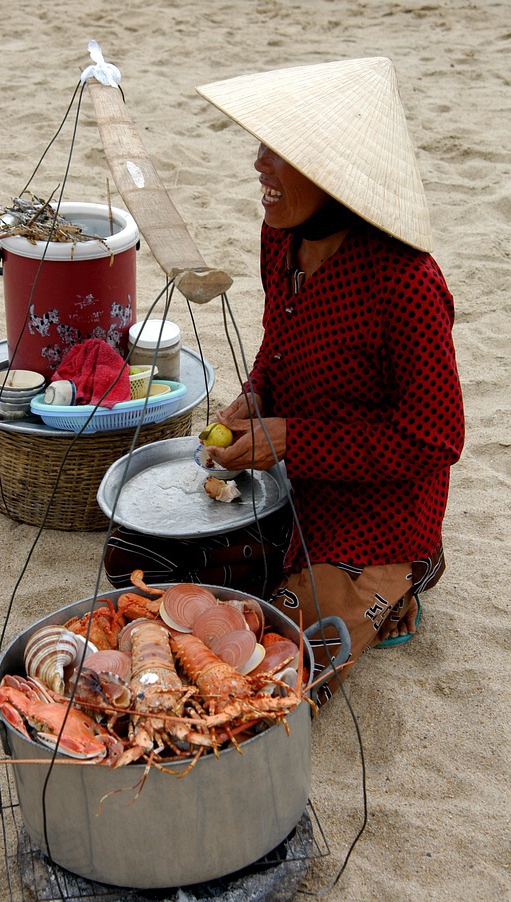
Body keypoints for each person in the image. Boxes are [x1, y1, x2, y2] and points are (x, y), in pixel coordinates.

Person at [193, 57, 465, 701]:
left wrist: (293, 440)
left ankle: (408, 575)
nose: (258, 163)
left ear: (333, 176)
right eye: (261, 144)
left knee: (272, 665)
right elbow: (277, 345)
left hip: (379, 514)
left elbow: (436, 442)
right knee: (174, 589)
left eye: (278, 151)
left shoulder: (407, 283)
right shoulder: (280, 237)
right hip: (297, 484)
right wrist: (255, 393)